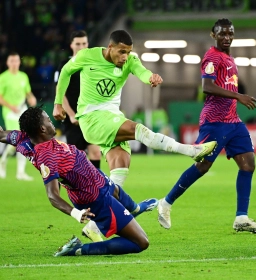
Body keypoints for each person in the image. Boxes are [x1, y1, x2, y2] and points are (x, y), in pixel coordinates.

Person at [53, 30, 216, 240]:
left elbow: (141, 71)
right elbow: (66, 72)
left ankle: (94, 225)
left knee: (121, 166)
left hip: (112, 116)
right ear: (110, 48)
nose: (125, 57)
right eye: (121, 52)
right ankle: (190, 150)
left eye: (128, 52)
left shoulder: (129, 60)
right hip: (91, 118)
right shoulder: (87, 56)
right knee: (137, 130)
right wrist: (58, 103)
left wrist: (151, 78)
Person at [157, 19, 256, 233]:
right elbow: (207, 86)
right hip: (215, 121)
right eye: (222, 34)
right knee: (203, 166)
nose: (227, 37)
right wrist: (238, 96)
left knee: (248, 164)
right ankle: (166, 202)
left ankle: (241, 218)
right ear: (213, 35)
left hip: (233, 121)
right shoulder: (212, 57)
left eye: (230, 33)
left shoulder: (228, 57)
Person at [0, 106, 157, 256]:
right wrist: (75, 213)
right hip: (94, 197)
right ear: (42, 129)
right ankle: (79, 249)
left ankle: (136, 208)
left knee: (117, 191)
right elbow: (52, 195)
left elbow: (2, 135)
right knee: (141, 242)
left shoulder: (22, 138)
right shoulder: (47, 157)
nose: (51, 121)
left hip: (96, 178)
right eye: (47, 119)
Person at [54, 30, 102, 170]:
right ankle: (70, 185)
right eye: (78, 44)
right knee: (75, 157)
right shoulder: (65, 65)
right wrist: (70, 114)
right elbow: (60, 91)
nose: (81, 47)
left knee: (96, 152)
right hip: (73, 119)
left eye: (84, 43)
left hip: (91, 117)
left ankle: (96, 188)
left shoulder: (94, 65)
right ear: (71, 45)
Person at [0, 52, 37, 180]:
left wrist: (32, 98)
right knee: (15, 141)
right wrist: (11, 106)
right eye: (12, 61)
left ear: (19, 62)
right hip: (10, 112)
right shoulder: (3, 77)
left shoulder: (23, 76)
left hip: (22, 110)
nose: (14, 63)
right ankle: (2, 161)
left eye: (16, 61)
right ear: (7, 62)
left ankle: (20, 172)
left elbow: (28, 92)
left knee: (24, 140)